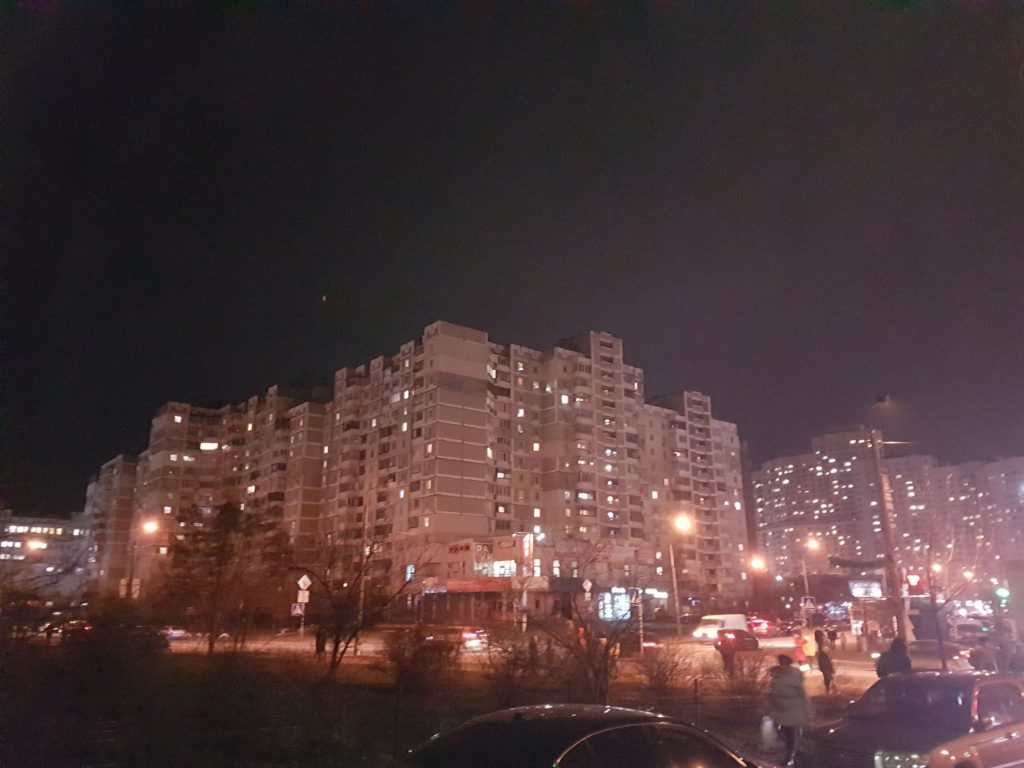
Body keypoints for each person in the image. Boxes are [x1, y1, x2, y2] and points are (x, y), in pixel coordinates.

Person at [769, 654, 811, 766]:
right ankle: (791, 754)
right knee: (788, 733)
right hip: (786, 709)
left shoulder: (789, 676)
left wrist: (807, 709)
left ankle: (790, 756)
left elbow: (801, 693)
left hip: (791, 709)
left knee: (791, 733)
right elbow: (801, 694)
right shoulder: (782, 676)